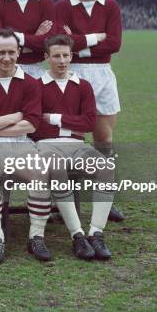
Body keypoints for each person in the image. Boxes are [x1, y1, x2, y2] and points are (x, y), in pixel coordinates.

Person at [31, 34, 116, 260]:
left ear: (72, 56)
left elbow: (89, 123)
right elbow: (36, 125)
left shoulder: (83, 86)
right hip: (46, 145)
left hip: (77, 145)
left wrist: (55, 119)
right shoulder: (37, 85)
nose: (62, 61)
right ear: (47, 57)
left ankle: (96, 234)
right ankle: (77, 236)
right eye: (56, 56)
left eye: (66, 55)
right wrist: (68, 121)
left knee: (106, 168)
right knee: (56, 166)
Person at [55, 0, 125, 222]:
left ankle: (105, 200)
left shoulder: (111, 6)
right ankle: (66, 203)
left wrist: (78, 45)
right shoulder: (62, 6)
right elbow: (62, 42)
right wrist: (93, 41)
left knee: (103, 141)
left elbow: (115, 44)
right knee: (69, 140)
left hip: (102, 75)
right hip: (70, 75)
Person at [0, 29, 48, 263]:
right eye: (1, 52)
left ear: (19, 53)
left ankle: (36, 236)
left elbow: (32, 125)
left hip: (20, 142)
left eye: (12, 52)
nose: (7, 57)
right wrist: (15, 116)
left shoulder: (31, 83)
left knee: (40, 173)